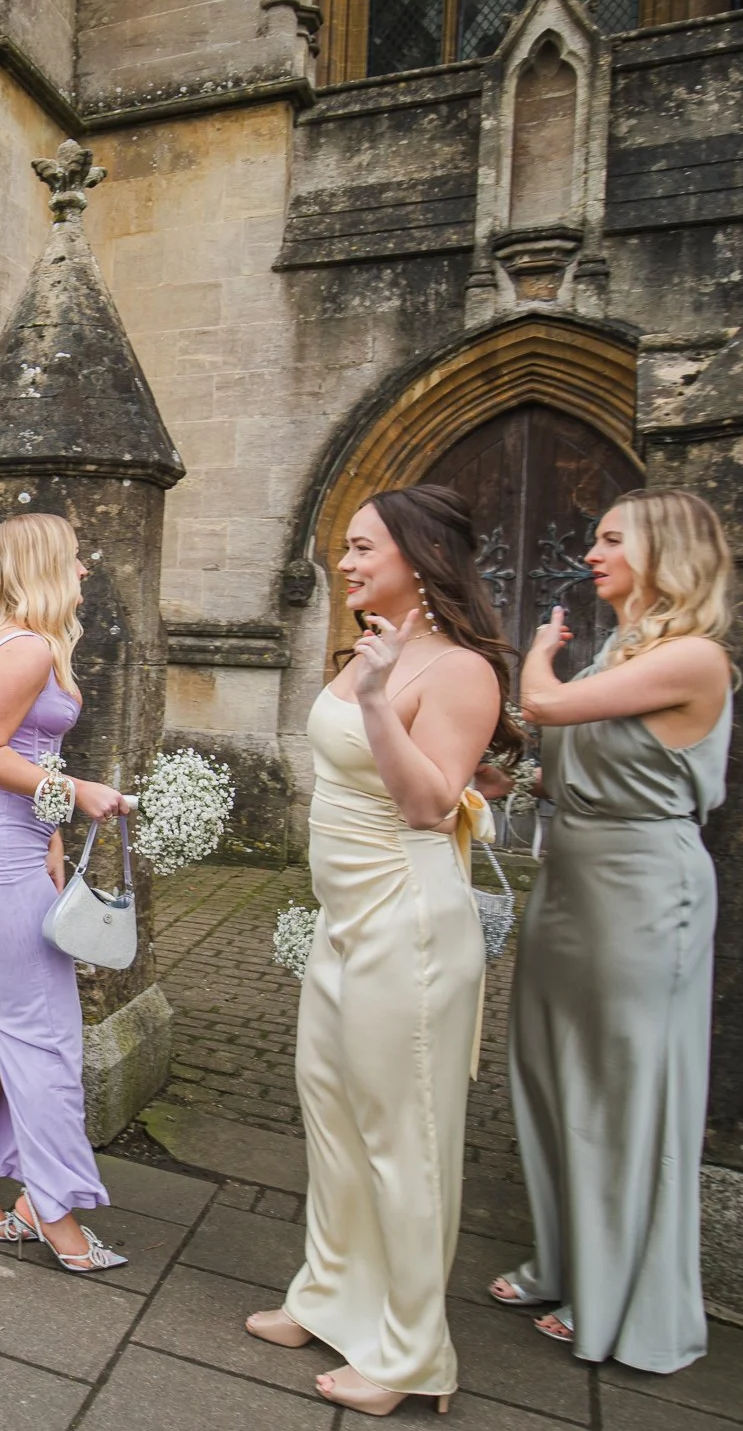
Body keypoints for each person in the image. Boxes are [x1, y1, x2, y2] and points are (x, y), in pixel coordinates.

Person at [245, 483, 514, 1417]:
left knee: (406, 1140)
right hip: (342, 919)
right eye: (347, 547)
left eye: (364, 548)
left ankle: (411, 1352)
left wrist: (372, 699)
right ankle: (327, 1298)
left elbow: (429, 804)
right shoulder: (373, 646)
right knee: (333, 1117)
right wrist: (367, 679)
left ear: (420, 555)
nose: (347, 562)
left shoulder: (461, 671)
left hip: (409, 922)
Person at [488, 491, 734, 1373]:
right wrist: (507, 781)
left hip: (643, 888)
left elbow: (546, 708)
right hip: (571, 880)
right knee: (551, 1072)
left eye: (612, 539)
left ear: (666, 553)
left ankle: (623, 1296)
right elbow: (567, 767)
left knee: (625, 1087)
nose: (593, 552)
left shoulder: (695, 658)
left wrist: (537, 654)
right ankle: (567, 1261)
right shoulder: (612, 658)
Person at [0, 513, 129, 1274]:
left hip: (4, 848)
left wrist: (50, 836)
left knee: (4, 1016)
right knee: (47, 1033)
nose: (84, 571)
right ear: (45, 565)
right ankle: (52, 1206)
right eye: (74, 559)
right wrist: (78, 793)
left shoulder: (19, 643)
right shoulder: (28, 649)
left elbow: (20, 753)